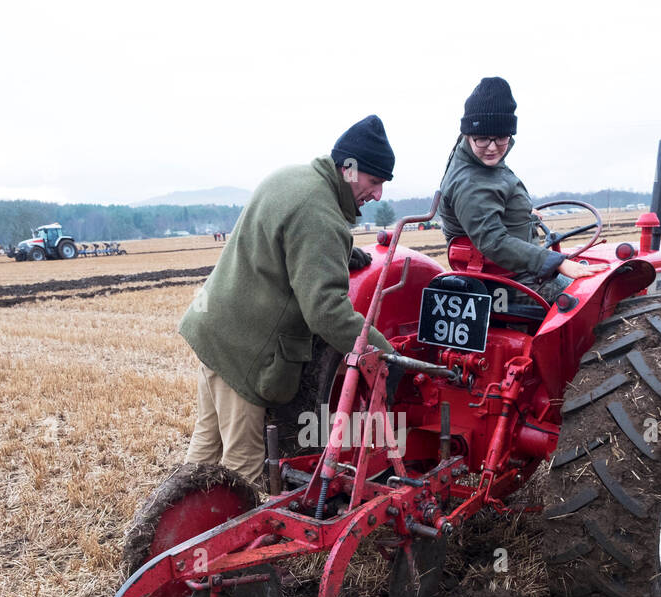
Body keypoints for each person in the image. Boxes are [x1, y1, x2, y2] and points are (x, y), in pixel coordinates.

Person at [178, 116, 397, 485]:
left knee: (204, 452)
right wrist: (386, 356)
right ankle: (226, 541)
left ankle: (176, 532)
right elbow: (326, 313)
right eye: (374, 182)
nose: (377, 195)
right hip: (245, 352)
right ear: (349, 169)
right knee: (242, 468)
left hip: (215, 333)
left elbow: (282, 247)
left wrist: (339, 254)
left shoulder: (293, 178)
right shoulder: (321, 214)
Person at [439, 77, 603, 301]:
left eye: (501, 138)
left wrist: (521, 215)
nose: (492, 147)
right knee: (595, 297)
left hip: (506, 271)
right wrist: (555, 261)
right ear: (468, 134)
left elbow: (489, 202)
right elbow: (493, 241)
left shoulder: (476, 159)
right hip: (513, 282)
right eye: (482, 139)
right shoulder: (471, 182)